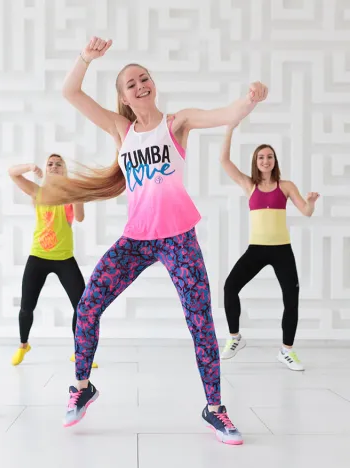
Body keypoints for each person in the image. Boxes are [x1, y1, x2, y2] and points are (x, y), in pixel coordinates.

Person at [36, 36, 268, 445]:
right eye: (131, 83)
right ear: (124, 97)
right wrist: (85, 59)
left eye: (144, 79)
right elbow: (70, 92)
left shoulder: (176, 122)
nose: (140, 85)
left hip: (178, 238)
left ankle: (215, 409)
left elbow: (223, 113)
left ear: (152, 84)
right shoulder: (119, 128)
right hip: (137, 239)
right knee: (89, 305)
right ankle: (82, 385)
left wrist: (249, 101)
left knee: (200, 323)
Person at [219, 124, 319, 371]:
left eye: (269, 156)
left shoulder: (285, 186)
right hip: (257, 249)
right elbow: (223, 160)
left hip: (281, 250)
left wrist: (311, 202)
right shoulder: (248, 185)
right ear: (256, 161)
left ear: (275, 161)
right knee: (230, 287)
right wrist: (230, 128)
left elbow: (305, 212)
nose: (265, 160)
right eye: (261, 157)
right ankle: (235, 337)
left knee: (291, 298)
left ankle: (286, 351)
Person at [8, 154, 96, 368]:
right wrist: (30, 166)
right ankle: (23, 345)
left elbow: (81, 217)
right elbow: (12, 173)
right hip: (38, 256)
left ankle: (80, 351)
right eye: (50, 164)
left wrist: (76, 193)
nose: (54, 166)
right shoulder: (38, 192)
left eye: (59, 164)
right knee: (26, 307)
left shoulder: (70, 195)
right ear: (46, 170)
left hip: (64, 257)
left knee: (81, 306)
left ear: (64, 170)